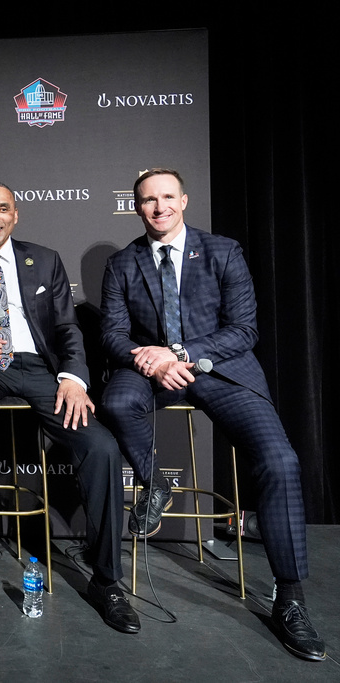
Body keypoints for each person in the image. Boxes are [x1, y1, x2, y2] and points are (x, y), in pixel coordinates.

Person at [100, 168, 325, 660]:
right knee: (116, 402)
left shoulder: (222, 251)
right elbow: (113, 333)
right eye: (147, 200)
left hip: (219, 369)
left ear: (184, 200)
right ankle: (155, 482)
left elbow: (244, 330)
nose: (158, 207)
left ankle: (288, 597)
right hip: (149, 368)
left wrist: (178, 355)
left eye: (166, 198)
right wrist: (147, 358)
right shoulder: (122, 263)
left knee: (281, 462)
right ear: (136, 207)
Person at [0, 182, 139, 634]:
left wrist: (74, 378)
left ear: (15, 215)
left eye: (2, 209)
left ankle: (107, 582)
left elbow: (66, 327)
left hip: (39, 368)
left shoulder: (44, 259)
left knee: (100, 448)